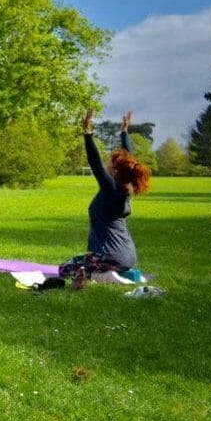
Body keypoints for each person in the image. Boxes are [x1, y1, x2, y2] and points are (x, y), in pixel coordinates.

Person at [59, 109, 151, 289]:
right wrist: (124, 132)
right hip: (128, 257)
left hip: (109, 257)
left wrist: (87, 133)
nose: (108, 163)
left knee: (65, 269)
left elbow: (95, 162)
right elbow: (129, 160)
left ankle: (105, 276)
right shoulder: (126, 188)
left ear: (115, 170)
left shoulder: (111, 187)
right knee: (84, 263)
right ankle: (116, 274)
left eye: (111, 162)